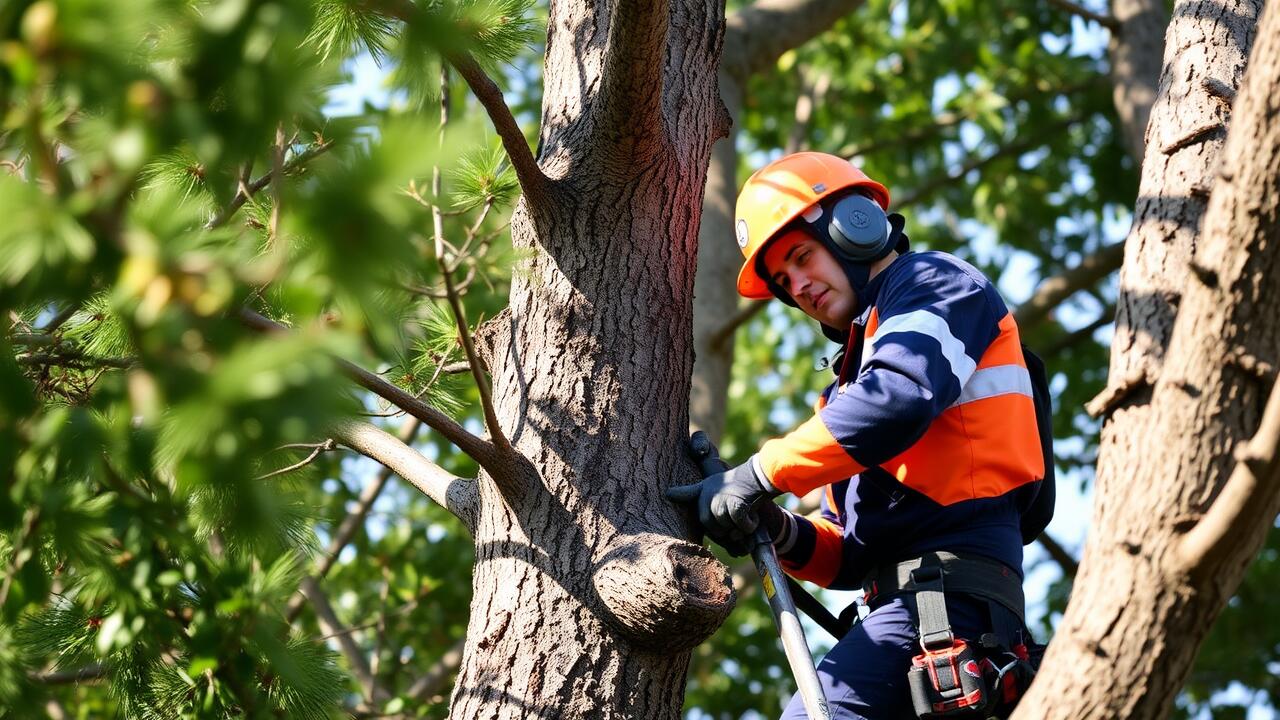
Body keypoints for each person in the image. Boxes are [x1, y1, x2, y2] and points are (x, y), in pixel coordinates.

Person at [668, 151, 1051, 720]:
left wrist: (758, 474)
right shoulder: (848, 390)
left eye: (802, 257)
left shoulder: (934, 284)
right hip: (909, 613)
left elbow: (898, 400)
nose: (797, 285)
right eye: (782, 280)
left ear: (854, 226)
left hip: (949, 600)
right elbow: (849, 556)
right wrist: (772, 525)